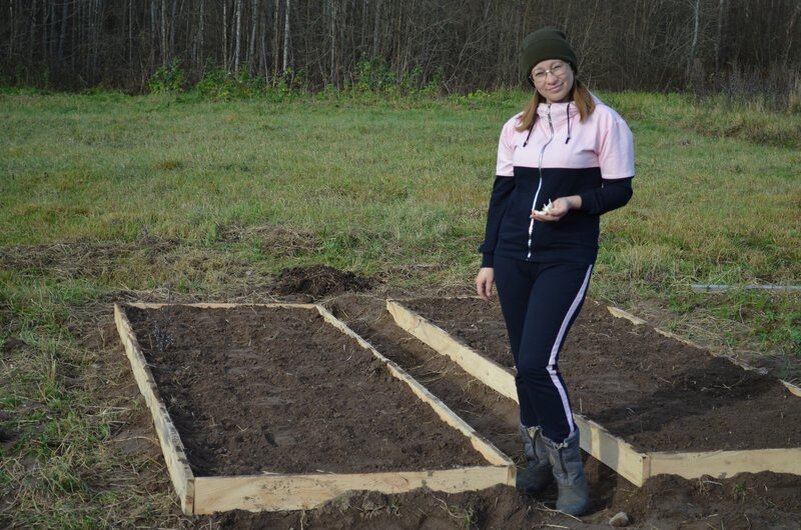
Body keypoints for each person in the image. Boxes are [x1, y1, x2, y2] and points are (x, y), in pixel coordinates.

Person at [475, 27, 635, 516]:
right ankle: (537, 459)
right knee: (523, 366)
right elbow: (502, 197)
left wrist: (573, 201)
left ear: (572, 67)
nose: (549, 77)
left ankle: (570, 472)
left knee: (536, 363)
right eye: (539, 72)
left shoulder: (604, 123)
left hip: (566, 257)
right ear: (531, 78)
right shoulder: (516, 127)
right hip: (511, 257)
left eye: (556, 68)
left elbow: (620, 190)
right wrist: (487, 258)